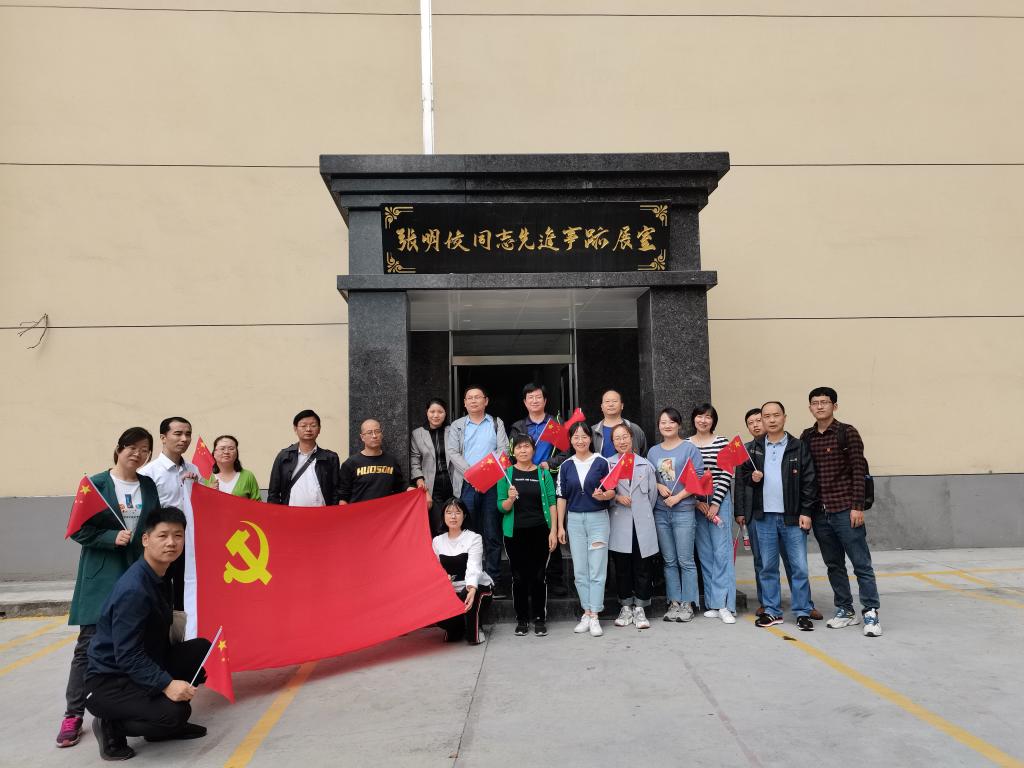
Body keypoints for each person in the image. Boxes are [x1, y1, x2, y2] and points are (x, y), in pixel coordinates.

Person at [57, 428, 159, 749]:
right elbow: (78, 529)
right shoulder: (95, 485)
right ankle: (73, 714)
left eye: (144, 449)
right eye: (132, 447)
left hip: (137, 573)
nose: (138, 454)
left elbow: (154, 525)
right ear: (119, 449)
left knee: (135, 642)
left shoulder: (148, 485)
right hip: (102, 576)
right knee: (88, 645)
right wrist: (109, 537)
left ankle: (124, 706)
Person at [84, 507, 212, 761]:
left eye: (178, 535)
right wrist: (167, 684)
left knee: (200, 650)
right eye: (162, 535)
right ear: (145, 539)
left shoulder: (160, 574)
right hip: (110, 680)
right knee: (175, 713)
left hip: (144, 662)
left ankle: (160, 726)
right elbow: (127, 655)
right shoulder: (134, 589)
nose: (171, 542)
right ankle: (111, 724)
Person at [801, 386, 882, 637]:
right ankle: (845, 610)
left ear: (834, 406)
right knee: (834, 564)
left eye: (825, 402)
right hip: (820, 512)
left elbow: (859, 471)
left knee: (861, 564)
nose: (820, 406)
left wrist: (857, 506)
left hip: (846, 510)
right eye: (815, 403)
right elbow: (806, 475)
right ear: (810, 407)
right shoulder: (807, 436)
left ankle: (870, 612)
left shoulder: (847, 433)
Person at [736, 408, 823, 621]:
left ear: (784, 417)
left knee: (798, 566)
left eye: (776, 415)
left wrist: (806, 511)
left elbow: (809, 481)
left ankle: (803, 610)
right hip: (763, 517)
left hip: (792, 517)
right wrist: (752, 479)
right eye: (767, 417)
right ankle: (771, 609)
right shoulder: (753, 448)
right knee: (767, 567)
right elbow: (742, 478)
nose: (771, 420)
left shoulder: (798, 446)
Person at [446, 385, 509, 593]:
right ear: (464, 403)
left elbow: (503, 451)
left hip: (492, 484)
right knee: (468, 532)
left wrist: (485, 475)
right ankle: (470, 579)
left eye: (477, 397)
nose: (473, 401)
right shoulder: (457, 426)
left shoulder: (496, 423)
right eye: (469, 398)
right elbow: (453, 452)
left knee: (492, 532)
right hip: (467, 484)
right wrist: (472, 475)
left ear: (486, 401)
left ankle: (493, 580)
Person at [508, 382, 569, 597]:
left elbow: (565, 453)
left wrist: (549, 464)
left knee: (551, 525)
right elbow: (511, 453)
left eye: (538, 397)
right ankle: (528, 577)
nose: (534, 401)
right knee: (527, 529)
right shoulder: (518, 426)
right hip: (523, 479)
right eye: (530, 397)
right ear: (525, 402)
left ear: (545, 400)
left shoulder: (555, 424)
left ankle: (555, 578)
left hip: (547, 478)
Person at [556, 421, 614, 637]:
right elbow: (561, 497)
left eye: (584, 436)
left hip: (598, 519)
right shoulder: (566, 466)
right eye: (576, 437)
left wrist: (604, 495)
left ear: (591, 438)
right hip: (574, 520)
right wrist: (560, 526)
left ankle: (595, 615)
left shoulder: (601, 462)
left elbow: (612, 491)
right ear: (570, 440)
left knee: (597, 568)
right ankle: (586, 612)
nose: (580, 440)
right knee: (580, 570)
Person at [496, 434, 558, 637]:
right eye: (519, 447)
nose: (523, 450)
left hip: (540, 531)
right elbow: (501, 507)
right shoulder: (506, 474)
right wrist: (510, 499)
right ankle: (522, 619)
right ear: (513, 451)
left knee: (539, 576)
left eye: (527, 446)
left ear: (533, 450)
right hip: (515, 533)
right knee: (519, 577)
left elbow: (552, 503)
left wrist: (553, 531)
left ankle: (539, 618)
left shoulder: (543, 474)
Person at [647, 408, 704, 622]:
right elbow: (648, 477)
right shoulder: (653, 452)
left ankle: (688, 603)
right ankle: (674, 602)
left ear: (679, 424)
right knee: (669, 560)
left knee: (685, 560)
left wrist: (678, 497)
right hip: (661, 512)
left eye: (671, 422)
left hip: (683, 510)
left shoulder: (689, 449)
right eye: (663, 422)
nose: (667, 426)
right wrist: (658, 486)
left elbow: (698, 478)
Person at [139, 417, 199, 611]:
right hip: (163, 541)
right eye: (178, 434)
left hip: (188, 541)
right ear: (163, 437)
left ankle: (184, 625)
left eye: (188, 434)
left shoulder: (194, 469)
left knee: (186, 588)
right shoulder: (149, 472)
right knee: (160, 589)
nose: (184, 439)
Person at [687, 404, 737, 624]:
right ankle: (712, 603)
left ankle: (725, 604)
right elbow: (685, 476)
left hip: (719, 498)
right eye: (700, 416)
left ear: (713, 421)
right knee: (705, 553)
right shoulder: (686, 444)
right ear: (693, 419)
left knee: (722, 552)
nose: (703, 420)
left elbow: (727, 473)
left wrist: (716, 503)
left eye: (708, 417)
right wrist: (697, 502)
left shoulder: (722, 442)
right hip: (696, 501)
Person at [607, 424, 660, 630]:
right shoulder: (608, 464)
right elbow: (604, 494)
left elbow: (652, 496)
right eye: (617, 438)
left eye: (625, 437)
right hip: (619, 521)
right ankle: (625, 606)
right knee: (622, 567)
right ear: (613, 443)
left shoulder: (645, 465)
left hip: (642, 522)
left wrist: (641, 511)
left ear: (632, 439)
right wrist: (617, 498)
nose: (622, 441)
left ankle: (640, 607)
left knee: (642, 566)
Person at [432, 498, 493, 645]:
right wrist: (442, 577)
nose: (453, 516)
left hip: (477, 587)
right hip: (451, 590)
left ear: (464, 516)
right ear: (443, 516)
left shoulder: (474, 538)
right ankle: (457, 627)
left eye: (457, 512)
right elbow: (435, 568)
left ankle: (475, 630)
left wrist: (472, 587)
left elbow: (474, 566)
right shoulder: (437, 541)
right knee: (433, 606)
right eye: (449, 512)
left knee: (469, 593)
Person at [267, 409, 342, 506]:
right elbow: (273, 492)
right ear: (295, 429)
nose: (308, 429)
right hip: (291, 513)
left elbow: (336, 492)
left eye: (313, 425)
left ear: (319, 429)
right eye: (303, 425)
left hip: (322, 513)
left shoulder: (330, 458)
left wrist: (333, 512)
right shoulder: (284, 456)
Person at [338, 418, 409, 504]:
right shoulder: (350, 464)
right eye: (369, 433)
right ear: (362, 437)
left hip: (386, 511)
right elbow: (343, 496)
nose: (374, 436)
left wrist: (413, 490)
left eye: (377, 431)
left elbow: (400, 487)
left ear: (381, 434)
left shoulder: (391, 461)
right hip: (360, 511)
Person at [410, 398, 454, 534]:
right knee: (438, 525)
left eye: (440, 412)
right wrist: (420, 483)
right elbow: (415, 461)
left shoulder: (453, 431)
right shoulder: (418, 434)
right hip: (431, 486)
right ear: (426, 412)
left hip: (453, 483)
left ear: (445, 413)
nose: (436, 415)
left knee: (454, 522)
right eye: (432, 411)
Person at [590, 389, 648, 459]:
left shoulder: (634, 429)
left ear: (622, 405)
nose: (611, 404)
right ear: (601, 407)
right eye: (607, 401)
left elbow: (643, 455)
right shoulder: (593, 431)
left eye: (615, 401)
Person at [202, 435, 262, 500]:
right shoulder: (205, 477)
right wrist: (208, 492)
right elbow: (198, 502)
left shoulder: (248, 476)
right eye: (222, 448)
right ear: (214, 453)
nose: (226, 452)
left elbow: (258, 503)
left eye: (231, 449)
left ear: (237, 453)